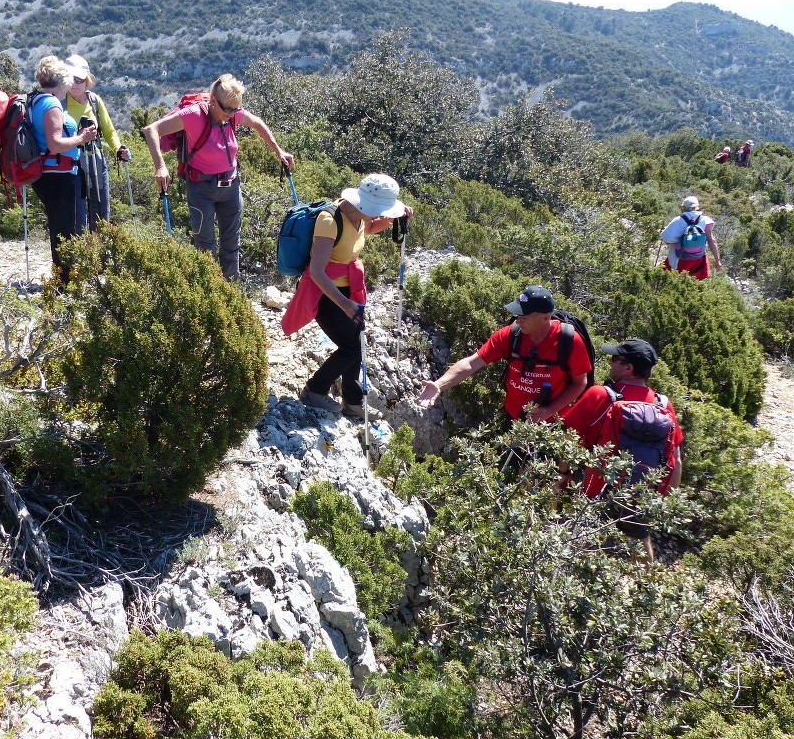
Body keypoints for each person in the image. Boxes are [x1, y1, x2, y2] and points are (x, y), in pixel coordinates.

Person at [281, 174, 412, 421]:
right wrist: (344, 304)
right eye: (379, 210)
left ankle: (352, 401)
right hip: (323, 292)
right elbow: (317, 272)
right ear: (365, 204)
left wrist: (397, 214)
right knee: (352, 346)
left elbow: (372, 227)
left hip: (346, 288)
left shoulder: (360, 216)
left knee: (357, 341)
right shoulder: (329, 220)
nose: (379, 215)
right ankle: (314, 391)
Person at [142, 74, 294, 280]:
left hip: (231, 186)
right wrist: (160, 166)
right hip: (201, 189)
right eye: (228, 109)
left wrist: (279, 151)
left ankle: (231, 291)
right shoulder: (194, 115)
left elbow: (257, 123)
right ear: (213, 101)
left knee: (232, 243)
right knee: (205, 246)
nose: (232, 115)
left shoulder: (231, 113)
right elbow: (151, 129)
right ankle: (210, 292)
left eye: (236, 109)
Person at [561, 339, 684, 560]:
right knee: (638, 541)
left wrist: (561, 475)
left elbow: (566, 439)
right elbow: (675, 460)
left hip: (595, 487)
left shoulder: (600, 394)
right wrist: (661, 501)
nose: (610, 362)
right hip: (640, 492)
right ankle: (646, 588)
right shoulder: (664, 405)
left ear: (628, 368)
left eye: (615, 359)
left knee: (582, 542)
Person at [417, 285, 592, 423]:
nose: (517, 320)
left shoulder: (569, 341)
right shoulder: (510, 335)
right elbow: (471, 363)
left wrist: (548, 411)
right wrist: (440, 385)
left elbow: (579, 383)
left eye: (524, 316)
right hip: (513, 418)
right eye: (517, 314)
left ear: (545, 318)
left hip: (551, 423)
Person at [29, 56, 99, 284]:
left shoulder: (37, 100)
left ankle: (63, 280)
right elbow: (55, 144)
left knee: (62, 228)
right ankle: (65, 285)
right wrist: (82, 137)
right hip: (59, 176)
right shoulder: (51, 104)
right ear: (62, 80)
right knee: (65, 231)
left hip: (49, 174)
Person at [63, 54, 129, 230]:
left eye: (79, 79)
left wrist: (118, 148)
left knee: (101, 211)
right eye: (70, 78)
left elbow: (109, 131)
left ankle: (100, 250)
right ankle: (81, 250)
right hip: (72, 164)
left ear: (87, 80)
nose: (75, 83)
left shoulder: (94, 101)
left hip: (96, 161)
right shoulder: (60, 102)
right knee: (78, 213)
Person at [660, 195, 722, 280]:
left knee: (669, 279)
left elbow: (666, 238)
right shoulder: (705, 220)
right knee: (696, 285)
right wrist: (717, 260)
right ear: (697, 207)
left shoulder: (678, 220)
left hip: (680, 258)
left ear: (684, 207)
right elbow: (711, 241)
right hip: (699, 258)